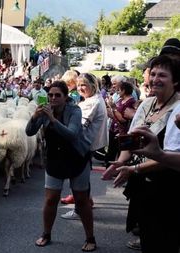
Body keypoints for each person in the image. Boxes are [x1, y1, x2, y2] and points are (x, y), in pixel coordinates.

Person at [102, 55, 180, 253]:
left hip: (167, 187)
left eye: (162, 75)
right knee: (147, 237)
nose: (155, 79)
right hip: (143, 184)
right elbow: (130, 141)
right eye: (153, 74)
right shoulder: (147, 103)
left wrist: (134, 168)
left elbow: (171, 156)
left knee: (164, 241)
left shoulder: (178, 109)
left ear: (176, 80)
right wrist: (120, 162)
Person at [26, 80, 96, 252]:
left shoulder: (75, 110)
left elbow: (72, 134)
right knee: (51, 199)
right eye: (50, 95)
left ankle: (90, 237)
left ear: (66, 97)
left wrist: (51, 119)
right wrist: (35, 117)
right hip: (55, 158)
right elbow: (29, 132)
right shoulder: (44, 110)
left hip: (76, 156)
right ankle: (46, 234)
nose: (53, 98)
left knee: (81, 200)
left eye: (58, 95)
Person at [60, 73, 108, 219]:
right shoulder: (95, 99)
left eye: (84, 85)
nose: (80, 88)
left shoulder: (91, 103)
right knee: (83, 177)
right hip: (89, 144)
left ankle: (80, 209)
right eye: (79, 84)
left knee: (78, 177)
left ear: (92, 86)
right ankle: (87, 201)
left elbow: (80, 126)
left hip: (83, 145)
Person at [104, 82, 136, 167]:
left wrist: (113, 108)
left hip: (122, 132)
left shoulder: (131, 102)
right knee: (111, 151)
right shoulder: (120, 100)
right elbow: (115, 114)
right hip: (113, 129)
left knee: (120, 152)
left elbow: (123, 119)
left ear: (124, 90)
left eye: (119, 90)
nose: (117, 92)